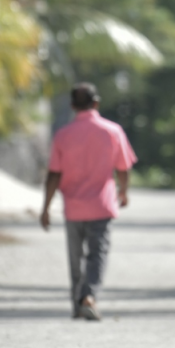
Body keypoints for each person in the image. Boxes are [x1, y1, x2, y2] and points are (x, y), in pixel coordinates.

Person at [41, 83, 137, 321]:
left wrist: (45, 207)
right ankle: (89, 297)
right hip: (102, 205)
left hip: (73, 207)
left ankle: (77, 304)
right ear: (96, 103)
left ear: (73, 106)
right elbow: (123, 167)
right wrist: (123, 191)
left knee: (75, 258)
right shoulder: (112, 131)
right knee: (97, 254)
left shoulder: (63, 135)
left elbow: (54, 173)